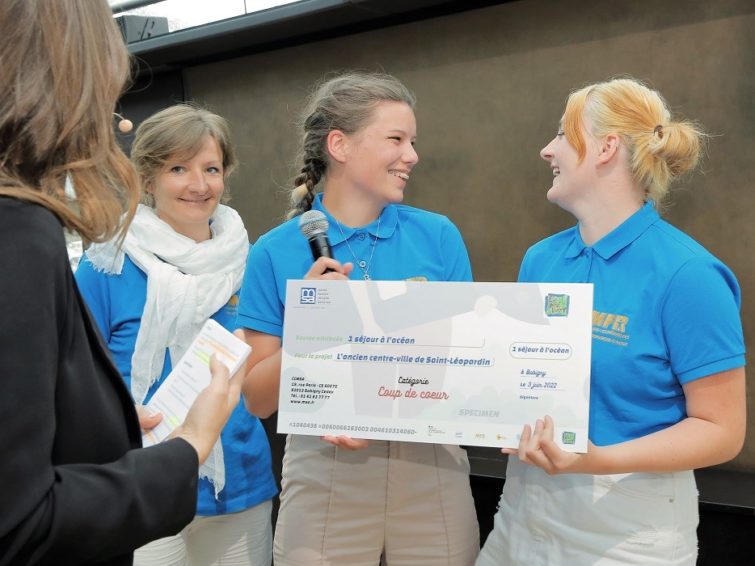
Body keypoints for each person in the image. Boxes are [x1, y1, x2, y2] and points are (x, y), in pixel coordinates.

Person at [0, 1, 244, 565]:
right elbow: (20, 522)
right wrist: (188, 447)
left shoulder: (245, 256)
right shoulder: (22, 234)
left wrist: (100, 424)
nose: (118, 119)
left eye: (210, 169)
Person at [476, 77, 747, 566]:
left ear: (606, 147)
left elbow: (722, 430)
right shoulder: (540, 260)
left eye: (561, 134)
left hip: (627, 534)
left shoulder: (689, 275)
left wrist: (599, 459)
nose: (546, 149)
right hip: (521, 511)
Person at [237, 71, 480, 565]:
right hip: (325, 474)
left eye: (413, 141)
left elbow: (466, 367)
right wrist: (311, 326)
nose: (411, 155)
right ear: (339, 145)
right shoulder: (275, 251)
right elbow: (257, 399)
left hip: (432, 467)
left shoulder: (438, 237)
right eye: (396, 139)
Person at [75, 104, 277, 566]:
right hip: (141, 479)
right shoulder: (108, 262)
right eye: (178, 169)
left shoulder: (253, 261)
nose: (199, 185)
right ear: (147, 180)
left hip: (239, 482)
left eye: (211, 168)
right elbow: (78, 372)